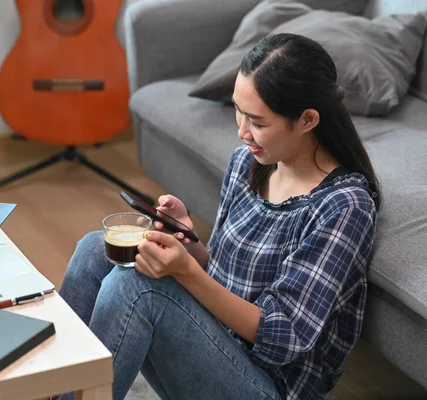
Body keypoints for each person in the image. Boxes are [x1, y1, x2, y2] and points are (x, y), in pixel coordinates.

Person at [57, 32, 380, 400]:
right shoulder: (249, 163)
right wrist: (190, 247)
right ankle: (49, 388)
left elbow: (284, 335)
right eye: (238, 114)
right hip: (214, 340)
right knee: (95, 250)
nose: (243, 133)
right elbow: (227, 277)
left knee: (134, 287)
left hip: (268, 385)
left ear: (307, 119)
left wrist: (186, 271)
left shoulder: (343, 207)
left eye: (257, 122)